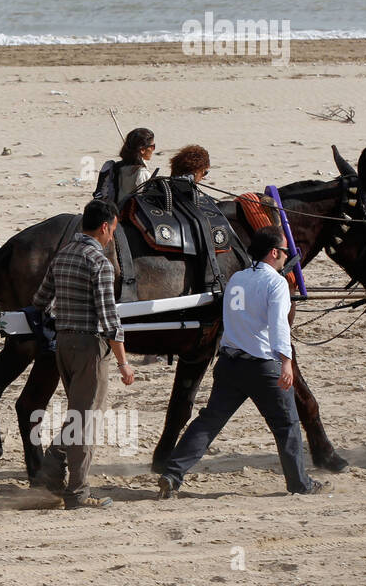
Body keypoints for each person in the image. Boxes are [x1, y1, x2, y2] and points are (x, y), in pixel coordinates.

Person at [158, 227, 332, 498]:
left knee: (208, 423)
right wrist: (286, 361)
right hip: (263, 367)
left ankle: (172, 473)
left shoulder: (237, 278)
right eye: (285, 251)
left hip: (229, 364)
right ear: (274, 252)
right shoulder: (276, 283)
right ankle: (299, 483)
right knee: (287, 425)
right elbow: (278, 327)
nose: (287, 256)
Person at [31, 199, 136, 510]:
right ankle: (77, 493)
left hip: (64, 345)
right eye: (113, 230)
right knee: (85, 420)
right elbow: (109, 320)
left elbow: (40, 299)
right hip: (90, 348)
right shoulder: (100, 263)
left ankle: (52, 463)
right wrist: (124, 362)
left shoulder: (62, 256)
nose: (111, 236)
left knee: (79, 413)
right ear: (105, 227)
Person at [95, 127, 155, 204]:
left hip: (112, 212)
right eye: (153, 147)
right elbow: (145, 202)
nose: (153, 150)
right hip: (128, 214)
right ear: (142, 150)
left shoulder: (112, 167)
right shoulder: (142, 173)